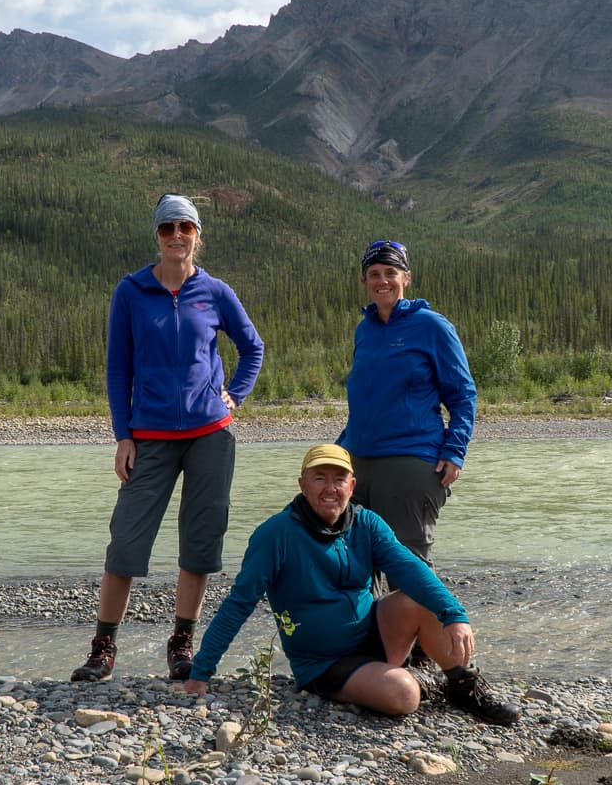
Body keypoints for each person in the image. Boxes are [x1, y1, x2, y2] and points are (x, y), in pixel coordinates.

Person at [182, 444, 519, 726]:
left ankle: (465, 688)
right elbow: (239, 603)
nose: (331, 488)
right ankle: (408, 681)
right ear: (303, 484)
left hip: (374, 633)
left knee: (422, 599)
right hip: (323, 662)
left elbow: (410, 569)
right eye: (320, 478)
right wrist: (201, 671)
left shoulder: (368, 524)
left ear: (352, 486)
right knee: (404, 696)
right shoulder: (274, 535)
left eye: (339, 479)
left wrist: (455, 614)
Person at [71, 193, 264, 682]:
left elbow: (252, 347)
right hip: (149, 436)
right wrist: (123, 435)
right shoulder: (131, 291)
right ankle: (103, 646)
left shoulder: (216, 292)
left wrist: (235, 395)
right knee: (126, 544)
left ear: (198, 235)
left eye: (186, 227)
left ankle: (182, 642)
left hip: (211, 436)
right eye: (167, 228)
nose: (177, 236)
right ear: (156, 236)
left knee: (199, 544)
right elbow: (118, 369)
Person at [336, 240, 477, 568]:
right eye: (374, 273)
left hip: (411, 461)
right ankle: (370, 623)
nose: (382, 280)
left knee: (405, 569)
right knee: (351, 565)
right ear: (364, 282)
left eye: (390, 272)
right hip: (357, 460)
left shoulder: (432, 326)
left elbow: (463, 394)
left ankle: (424, 622)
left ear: (406, 278)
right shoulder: (365, 331)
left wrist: (454, 451)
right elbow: (366, 401)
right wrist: (339, 449)